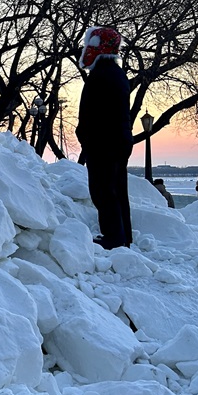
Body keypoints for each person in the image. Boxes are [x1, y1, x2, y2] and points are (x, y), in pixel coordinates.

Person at [75, 26, 133, 250]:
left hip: (103, 142)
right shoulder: (117, 73)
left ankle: (113, 237)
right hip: (117, 140)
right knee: (117, 189)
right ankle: (122, 235)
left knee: (103, 190)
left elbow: (92, 112)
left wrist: (85, 136)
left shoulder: (101, 74)